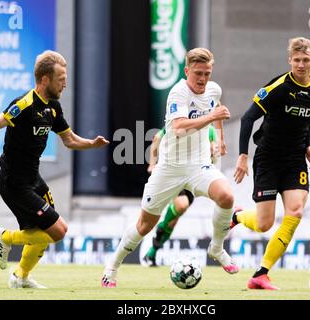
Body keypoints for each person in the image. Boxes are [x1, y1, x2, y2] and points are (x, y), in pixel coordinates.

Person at [0, 50, 109, 289]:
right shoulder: (24, 105)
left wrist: (91, 144)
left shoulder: (52, 108)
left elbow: (70, 140)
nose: (65, 83)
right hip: (14, 182)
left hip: (34, 178)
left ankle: (20, 277)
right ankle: (4, 237)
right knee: (58, 231)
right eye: (60, 79)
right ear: (45, 80)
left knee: (42, 233)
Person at [102, 47, 238, 288]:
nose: (203, 79)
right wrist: (212, 117)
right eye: (198, 73)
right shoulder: (178, 93)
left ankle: (217, 248)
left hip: (198, 165)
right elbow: (179, 128)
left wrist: (220, 138)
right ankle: (111, 267)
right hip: (169, 168)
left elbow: (215, 111)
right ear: (187, 71)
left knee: (227, 197)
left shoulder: (213, 90)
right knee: (144, 225)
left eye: (207, 73)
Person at [232, 37, 310, 290]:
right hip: (268, 158)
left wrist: (308, 147)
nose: (301, 64)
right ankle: (238, 216)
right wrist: (243, 155)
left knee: (295, 212)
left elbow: (305, 122)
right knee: (264, 224)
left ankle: (261, 273)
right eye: (296, 60)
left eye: (305, 60)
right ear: (290, 61)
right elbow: (247, 119)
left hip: (295, 160)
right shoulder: (279, 87)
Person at [142, 125, 223, 266]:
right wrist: (152, 164)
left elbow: (215, 151)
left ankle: (152, 253)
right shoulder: (181, 121)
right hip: (176, 173)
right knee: (182, 204)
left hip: (194, 176)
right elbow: (157, 138)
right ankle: (160, 225)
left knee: (172, 222)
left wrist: (214, 151)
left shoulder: (209, 130)